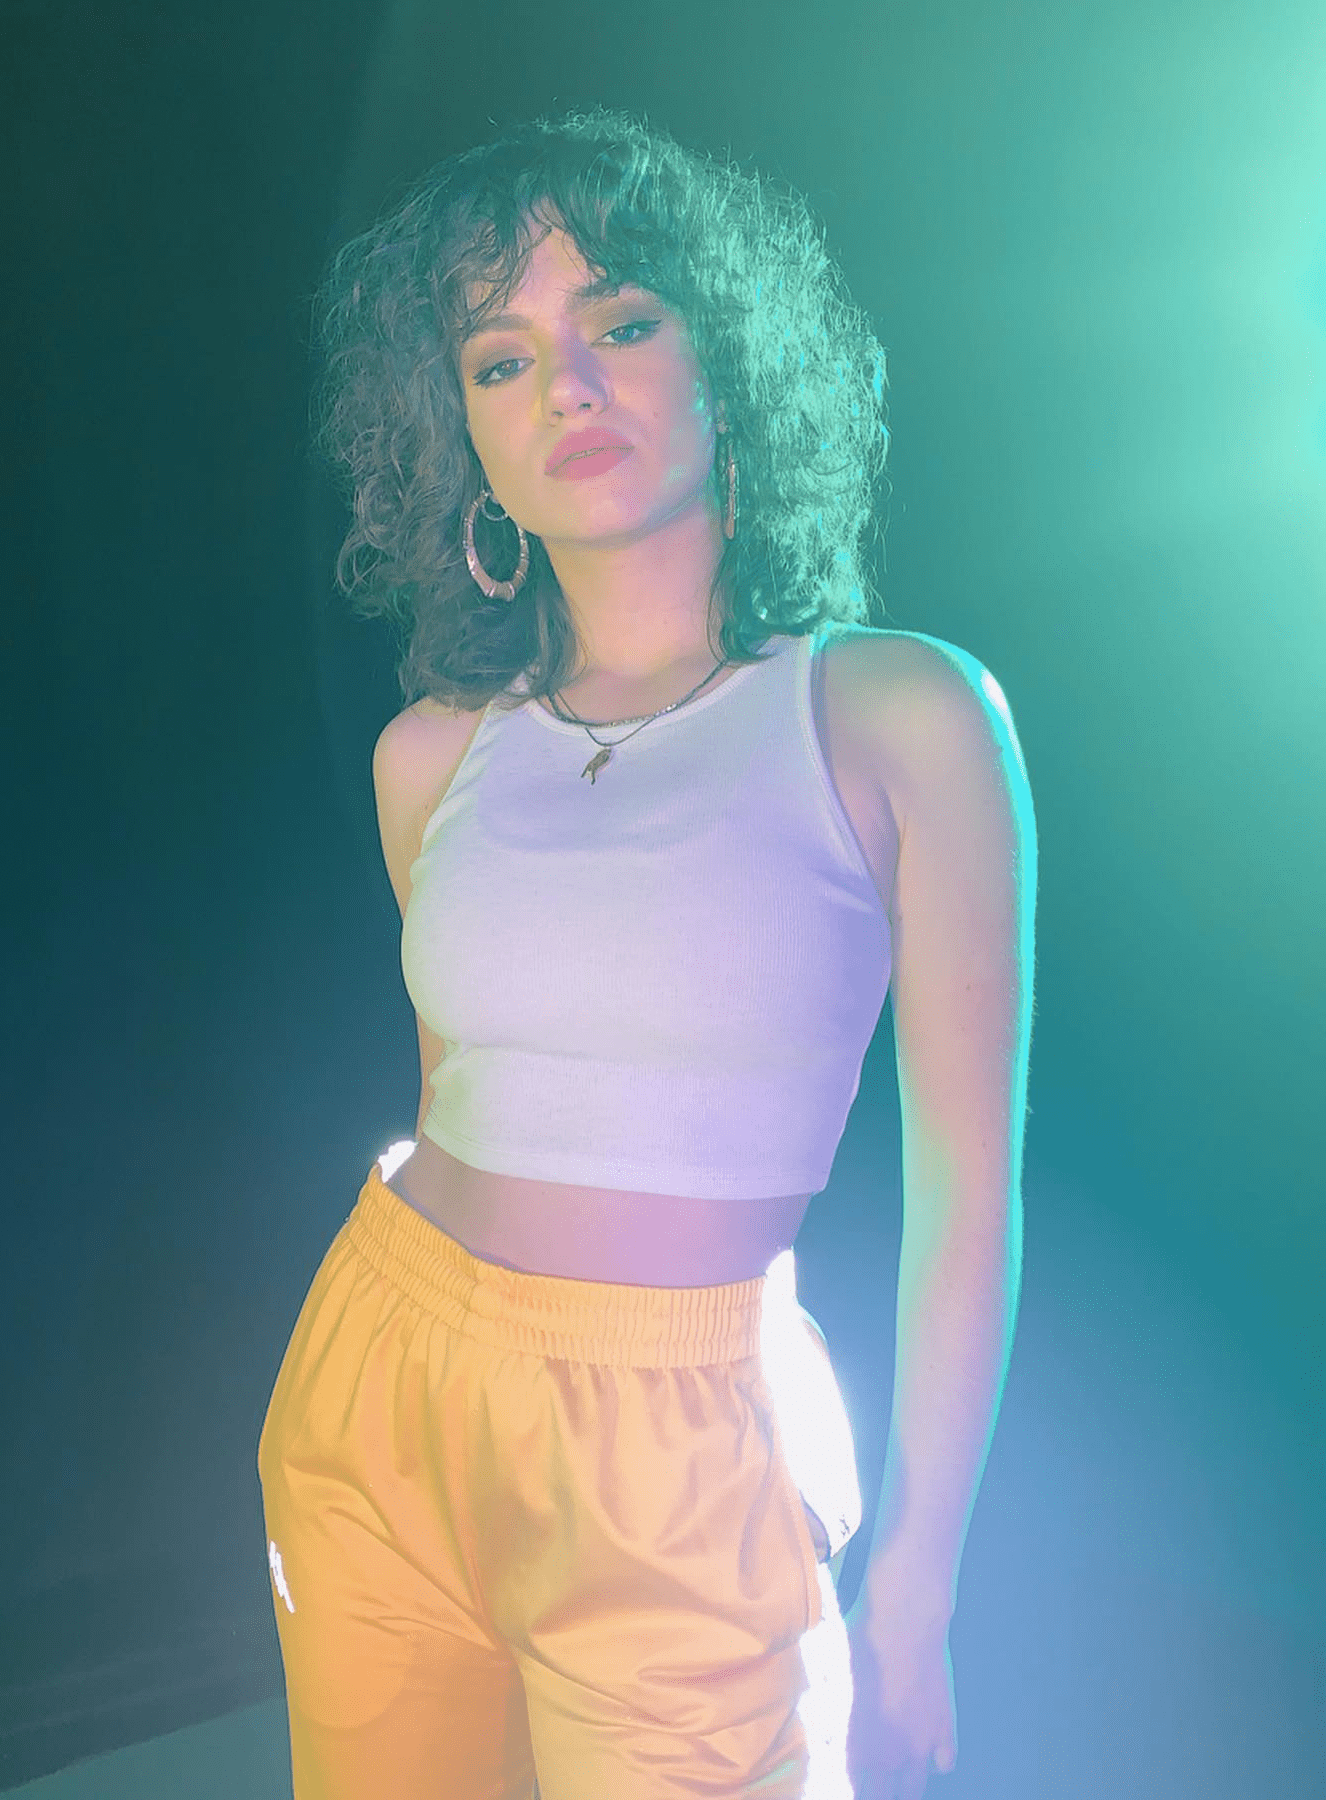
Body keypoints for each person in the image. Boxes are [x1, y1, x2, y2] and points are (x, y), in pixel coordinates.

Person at [257, 104, 1035, 1800]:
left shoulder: (896, 712)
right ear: (466, 442)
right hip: (381, 1390)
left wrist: (915, 1590)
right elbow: (466, 1100)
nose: (565, 387)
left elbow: (970, 1198)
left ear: (723, 360)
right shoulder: (431, 757)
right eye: (499, 359)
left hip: (684, 1447)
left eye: (618, 322)